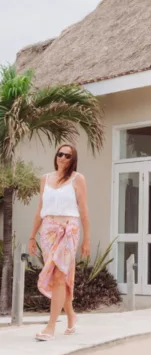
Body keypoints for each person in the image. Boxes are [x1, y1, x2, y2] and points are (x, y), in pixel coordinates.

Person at [27, 143, 90, 341]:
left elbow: (84, 210)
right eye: (60, 154)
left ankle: (51, 326)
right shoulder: (45, 179)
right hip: (48, 232)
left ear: (73, 160)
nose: (62, 158)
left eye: (67, 156)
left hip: (68, 231)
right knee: (56, 279)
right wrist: (31, 236)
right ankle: (71, 315)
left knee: (60, 277)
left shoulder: (77, 179)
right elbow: (40, 209)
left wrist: (86, 239)